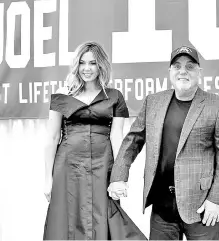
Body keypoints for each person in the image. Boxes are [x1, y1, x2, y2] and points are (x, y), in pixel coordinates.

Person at [108, 46, 219, 240]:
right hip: (162, 208)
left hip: (202, 207)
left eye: (189, 66)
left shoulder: (218, 106)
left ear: (199, 72)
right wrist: (118, 176)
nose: (183, 71)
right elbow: (132, 141)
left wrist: (217, 199)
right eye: (177, 66)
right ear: (170, 71)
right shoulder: (153, 102)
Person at [43, 41, 146, 240]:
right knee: (67, 219)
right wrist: (47, 179)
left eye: (92, 63)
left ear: (101, 65)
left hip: (102, 165)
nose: (87, 68)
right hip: (68, 167)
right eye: (82, 63)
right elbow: (52, 137)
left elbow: (117, 136)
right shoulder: (61, 96)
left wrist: (119, 175)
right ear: (76, 65)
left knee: (105, 217)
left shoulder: (115, 96)